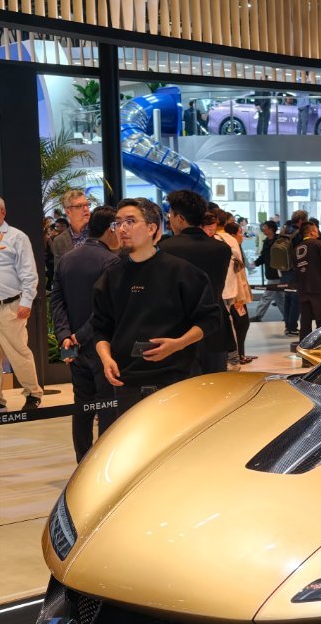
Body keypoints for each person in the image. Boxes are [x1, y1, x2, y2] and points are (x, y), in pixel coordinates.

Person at [92, 197, 221, 430]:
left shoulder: (182, 272)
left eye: (130, 221)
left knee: (174, 442)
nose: (122, 228)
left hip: (174, 377)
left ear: (152, 228)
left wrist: (178, 343)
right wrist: (106, 358)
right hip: (126, 379)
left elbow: (210, 319)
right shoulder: (111, 276)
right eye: (117, 223)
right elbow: (101, 326)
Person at [51, 206, 118, 459]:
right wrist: (80, 335)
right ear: (110, 229)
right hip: (103, 346)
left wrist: (65, 336)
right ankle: (102, 463)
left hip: (74, 348)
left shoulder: (67, 259)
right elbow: (105, 309)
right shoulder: (111, 261)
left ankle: (82, 461)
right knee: (108, 406)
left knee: (82, 406)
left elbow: (56, 301)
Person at [159, 190, 233, 372]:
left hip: (178, 331)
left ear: (180, 218)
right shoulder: (222, 249)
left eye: (171, 215)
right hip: (216, 327)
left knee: (183, 386)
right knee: (216, 384)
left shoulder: (164, 249)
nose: (169, 220)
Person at [0, 196, 44, 413]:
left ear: (2, 212)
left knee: (18, 353)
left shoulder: (17, 237)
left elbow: (29, 274)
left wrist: (26, 302)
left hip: (11, 306)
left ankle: (33, 393)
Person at [224, 217, 255, 362]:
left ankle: (240, 354)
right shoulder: (230, 247)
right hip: (233, 293)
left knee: (242, 323)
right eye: (240, 233)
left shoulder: (236, 247)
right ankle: (237, 355)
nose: (242, 236)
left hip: (237, 292)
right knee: (241, 323)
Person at [49, 188, 93, 263]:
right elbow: (59, 269)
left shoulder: (101, 232)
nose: (86, 209)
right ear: (68, 212)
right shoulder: (59, 241)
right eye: (79, 206)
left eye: (87, 205)